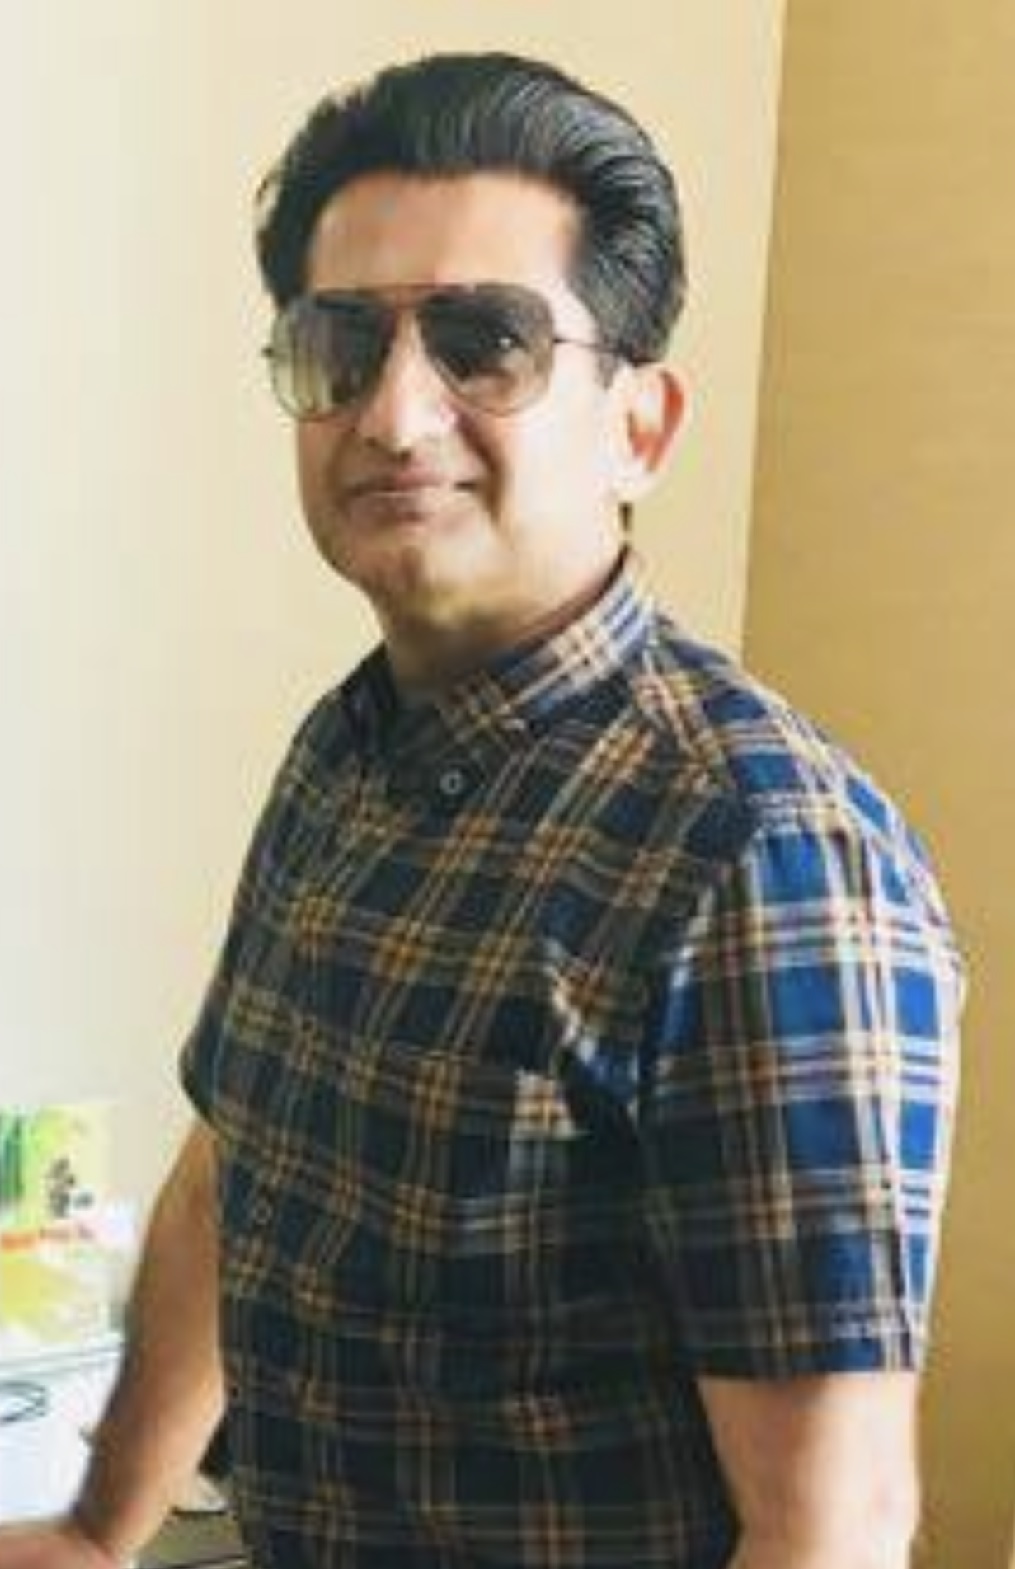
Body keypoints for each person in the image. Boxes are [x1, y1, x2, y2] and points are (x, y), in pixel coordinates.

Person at [0, 50, 964, 1569]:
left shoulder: (762, 854)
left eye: (485, 343)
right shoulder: (346, 748)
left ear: (640, 425)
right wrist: (97, 1525)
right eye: (341, 344)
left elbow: (831, 1528)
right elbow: (229, 1173)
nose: (394, 413)